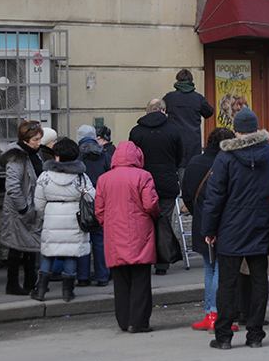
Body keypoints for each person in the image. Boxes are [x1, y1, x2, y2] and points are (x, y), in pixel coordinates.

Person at [202, 108, 269, 349]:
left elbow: (214, 197)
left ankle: (224, 337)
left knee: (228, 283)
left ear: (236, 130)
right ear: (257, 129)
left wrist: (209, 229)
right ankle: (256, 335)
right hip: (261, 224)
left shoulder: (225, 156)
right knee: (259, 281)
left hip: (231, 227)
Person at [95, 141, 160, 333]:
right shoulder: (143, 176)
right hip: (140, 233)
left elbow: (99, 210)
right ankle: (138, 321)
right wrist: (154, 215)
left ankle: (123, 321)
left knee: (121, 281)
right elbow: (150, 205)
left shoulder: (104, 179)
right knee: (140, 279)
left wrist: (107, 225)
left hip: (114, 234)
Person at [181, 127, 237, 331]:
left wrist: (198, 213)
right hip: (223, 222)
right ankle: (216, 313)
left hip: (200, 222)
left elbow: (186, 193)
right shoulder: (228, 162)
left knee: (208, 268)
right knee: (221, 269)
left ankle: (208, 314)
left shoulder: (195, 162)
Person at [32, 138, 94, 302]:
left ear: (57, 156)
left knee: (48, 254)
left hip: (52, 216)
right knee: (71, 254)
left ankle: (40, 290)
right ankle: (67, 292)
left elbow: (38, 202)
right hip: (74, 218)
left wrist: (45, 216)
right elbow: (91, 197)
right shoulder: (81, 177)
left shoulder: (45, 176)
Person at [129, 98, 183, 276]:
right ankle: (162, 263)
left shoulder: (136, 132)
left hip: (142, 184)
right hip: (167, 183)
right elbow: (179, 157)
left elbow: (132, 157)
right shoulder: (174, 130)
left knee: (144, 223)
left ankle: (144, 259)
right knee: (165, 222)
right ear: (163, 111)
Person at [0, 120, 44, 295]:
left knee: (31, 246)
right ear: (25, 140)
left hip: (31, 207)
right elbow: (13, 187)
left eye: (40, 139)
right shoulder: (17, 157)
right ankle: (12, 284)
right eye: (35, 140)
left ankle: (30, 282)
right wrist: (24, 209)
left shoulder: (32, 153)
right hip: (19, 211)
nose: (39, 143)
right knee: (16, 248)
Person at [76, 124, 112, 287]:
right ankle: (102, 276)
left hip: (81, 201)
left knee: (83, 239)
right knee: (100, 240)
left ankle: (83, 277)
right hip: (101, 199)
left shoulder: (76, 154)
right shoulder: (104, 154)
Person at [162, 68, 215, 179]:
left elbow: (161, 111)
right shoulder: (198, 98)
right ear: (191, 81)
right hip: (193, 141)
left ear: (177, 81)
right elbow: (209, 112)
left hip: (175, 139)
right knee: (193, 168)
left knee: (177, 168)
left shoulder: (170, 98)